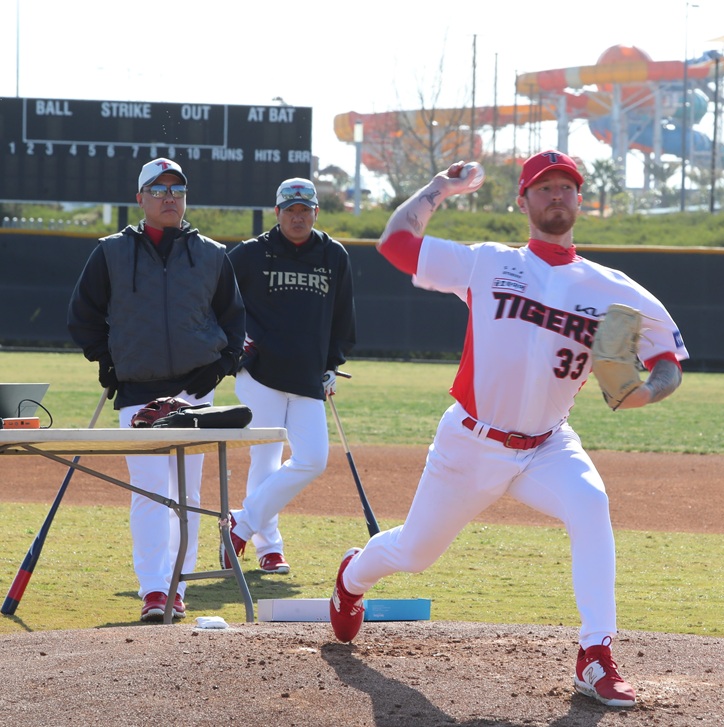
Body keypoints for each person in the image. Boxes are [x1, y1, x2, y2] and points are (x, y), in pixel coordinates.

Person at [328, 151, 689, 709]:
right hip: (471, 443)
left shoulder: (615, 290)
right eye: (544, 187)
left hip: (548, 445)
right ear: (522, 201)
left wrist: (648, 391)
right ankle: (352, 578)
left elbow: (668, 360)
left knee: (591, 503)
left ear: (580, 199)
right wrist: (439, 188)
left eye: (566, 187)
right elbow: (396, 245)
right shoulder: (488, 264)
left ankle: (595, 653)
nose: (556, 195)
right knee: (414, 552)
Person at [67, 158, 245, 622]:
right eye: (159, 189)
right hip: (137, 393)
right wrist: (106, 361)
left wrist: (221, 367)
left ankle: (177, 588)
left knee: (188, 495)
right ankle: (153, 590)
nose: (169, 197)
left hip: (195, 396)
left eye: (177, 190)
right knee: (149, 493)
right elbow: (82, 315)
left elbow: (234, 320)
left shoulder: (212, 254)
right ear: (140, 198)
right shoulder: (110, 252)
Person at [222, 178, 356, 574]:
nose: (298, 218)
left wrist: (332, 363)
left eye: (305, 210)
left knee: (313, 459)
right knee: (265, 460)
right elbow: (217, 299)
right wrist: (237, 343)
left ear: (316, 212)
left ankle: (240, 524)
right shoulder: (250, 253)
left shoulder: (333, 255)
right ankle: (269, 548)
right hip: (261, 374)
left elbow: (342, 316)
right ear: (277, 212)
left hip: (309, 376)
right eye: (290, 210)